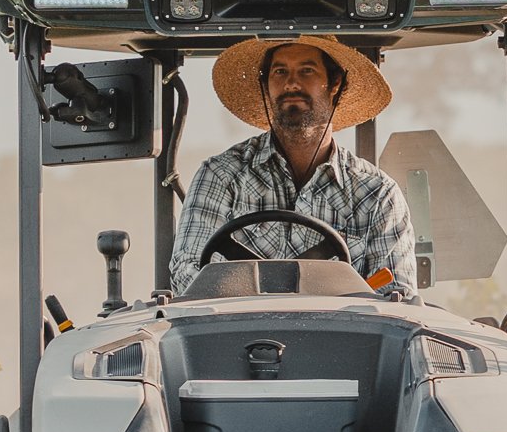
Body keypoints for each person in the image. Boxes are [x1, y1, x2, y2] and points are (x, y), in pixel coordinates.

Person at [169, 35, 416, 299]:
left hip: (345, 337)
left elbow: (395, 296)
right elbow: (187, 273)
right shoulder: (221, 176)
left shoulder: (376, 194)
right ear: (266, 86)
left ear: (335, 83)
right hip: (237, 335)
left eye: (306, 71)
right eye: (280, 72)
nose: (291, 83)